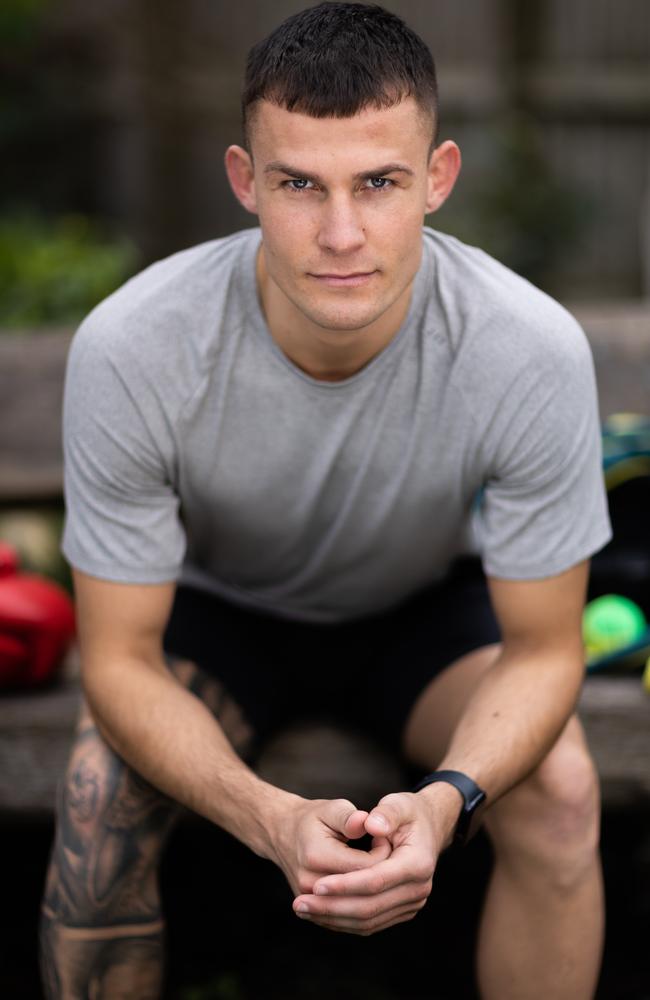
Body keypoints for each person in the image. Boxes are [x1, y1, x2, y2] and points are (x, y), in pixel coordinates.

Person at [39, 4, 612, 998]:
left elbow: (544, 648)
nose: (339, 232)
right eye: (299, 183)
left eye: (378, 182)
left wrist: (444, 802)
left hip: (419, 616)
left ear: (435, 178)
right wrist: (269, 816)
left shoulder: (524, 346)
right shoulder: (136, 346)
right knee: (96, 803)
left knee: (558, 791)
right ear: (243, 181)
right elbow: (121, 658)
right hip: (215, 617)